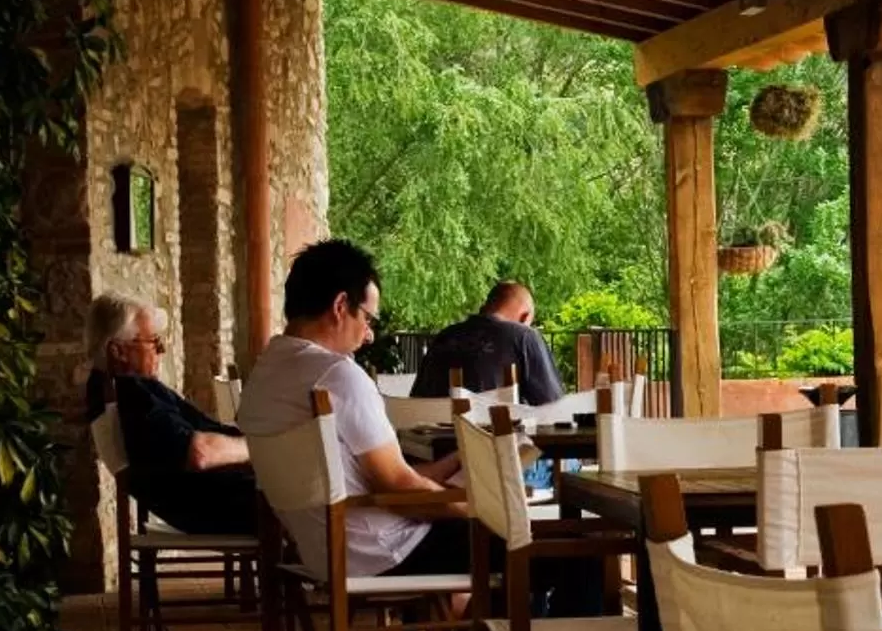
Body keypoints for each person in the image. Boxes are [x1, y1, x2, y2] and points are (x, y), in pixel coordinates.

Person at [236, 239, 468, 579]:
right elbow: (397, 486)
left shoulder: (262, 376)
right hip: (383, 550)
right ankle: (499, 630)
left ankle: (472, 625)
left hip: (323, 553)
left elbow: (371, 477)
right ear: (341, 305)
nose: (370, 335)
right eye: (368, 318)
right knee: (540, 549)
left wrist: (452, 466)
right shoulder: (338, 376)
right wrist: (478, 508)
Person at [84, 293, 257, 534]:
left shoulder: (124, 388)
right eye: (153, 341)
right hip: (213, 505)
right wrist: (257, 448)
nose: (162, 349)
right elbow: (199, 453)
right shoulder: (132, 394)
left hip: (216, 495)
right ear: (118, 351)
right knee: (309, 498)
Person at [411, 281, 564, 406]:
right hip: (493, 440)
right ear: (525, 318)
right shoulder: (524, 336)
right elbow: (553, 406)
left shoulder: (444, 336)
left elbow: (416, 401)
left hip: (435, 442)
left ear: (484, 308)